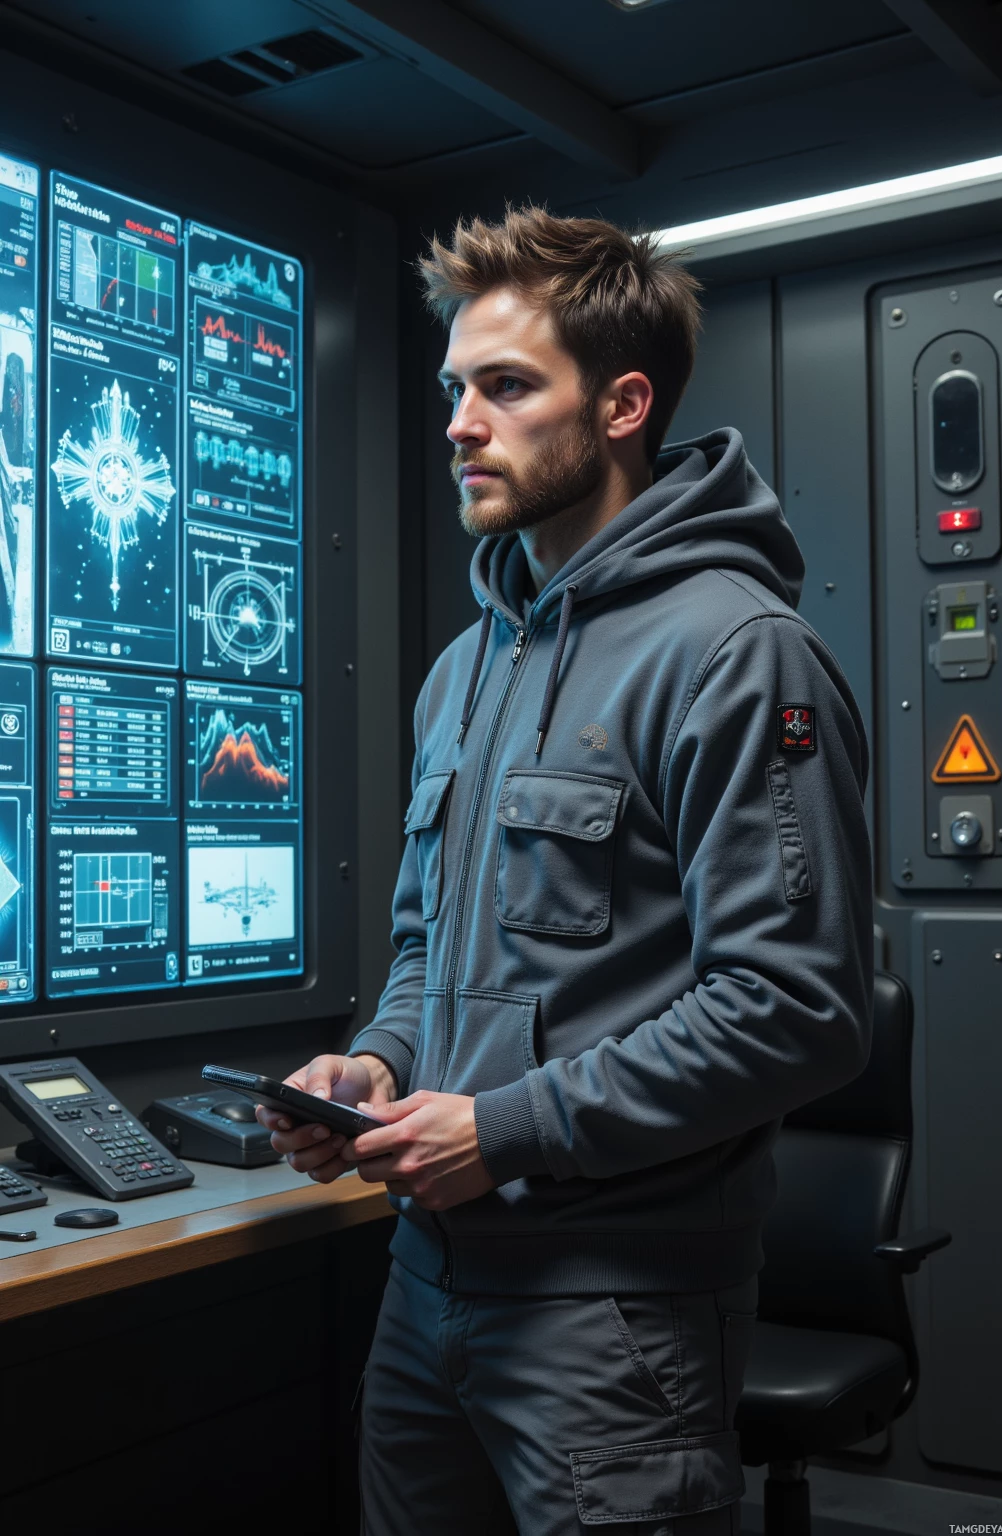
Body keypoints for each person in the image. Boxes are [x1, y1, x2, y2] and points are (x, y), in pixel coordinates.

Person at [258, 206, 873, 1534]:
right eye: (453, 390)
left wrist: (508, 1130)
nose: (461, 425)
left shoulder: (737, 655)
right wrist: (376, 1070)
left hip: (618, 1314)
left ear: (621, 404)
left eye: (507, 387)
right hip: (427, 1287)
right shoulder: (464, 672)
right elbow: (433, 948)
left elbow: (799, 1010)